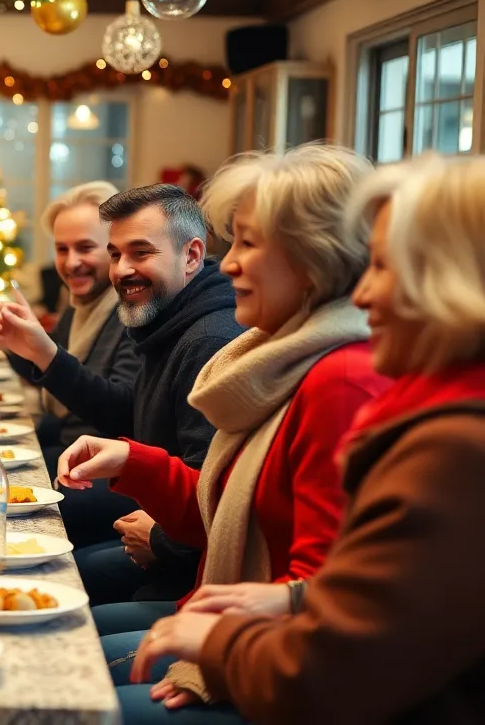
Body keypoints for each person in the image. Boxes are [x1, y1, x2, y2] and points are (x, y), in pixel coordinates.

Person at [130, 155, 485, 725]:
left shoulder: (411, 418)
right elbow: (378, 593)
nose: (364, 294)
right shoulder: (283, 363)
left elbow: (341, 665)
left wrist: (222, 650)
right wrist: (292, 598)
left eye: (385, 267)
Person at [59, 146, 390, 721]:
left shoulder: (336, 378)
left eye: (247, 242)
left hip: (285, 680)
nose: (226, 263)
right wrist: (134, 460)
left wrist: (221, 653)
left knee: (71, 686)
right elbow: (224, 510)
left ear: (312, 256)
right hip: (237, 628)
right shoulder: (268, 353)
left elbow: (322, 599)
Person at [0, 184, 243, 605]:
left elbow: (218, 493)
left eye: (141, 252)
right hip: (166, 531)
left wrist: (160, 536)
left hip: (192, 572)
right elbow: (137, 421)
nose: (122, 269)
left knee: (42, 569)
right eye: (117, 254)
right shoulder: (159, 316)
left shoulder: (205, 336)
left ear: (191, 256)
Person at [0, 182, 141, 547]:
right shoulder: (80, 307)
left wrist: (42, 353)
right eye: (62, 249)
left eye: (85, 247)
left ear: (114, 251)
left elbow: (119, 414)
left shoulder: (133, 312)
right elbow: (53, 377)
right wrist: (16, 347)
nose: (71, 261)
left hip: (108, 471)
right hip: (70, 451)